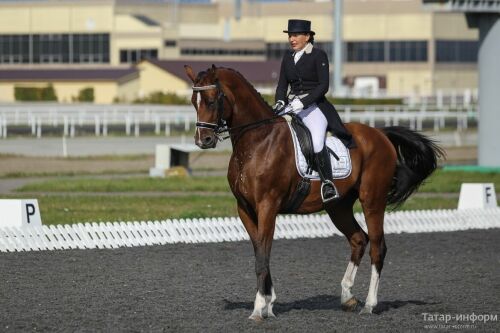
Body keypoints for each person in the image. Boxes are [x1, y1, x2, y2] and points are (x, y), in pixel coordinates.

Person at [273, 19, 355, 203]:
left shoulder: (318, 55)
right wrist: (279, 101)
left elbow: (323, 86)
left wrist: (303, 103)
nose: (291, 39)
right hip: (291, 106)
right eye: (290, 35)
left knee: (317, 143)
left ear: (307, 36)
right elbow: (281, 85)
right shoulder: (287, 57)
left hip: (314, 107)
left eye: (295, 35)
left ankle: (327, 184)